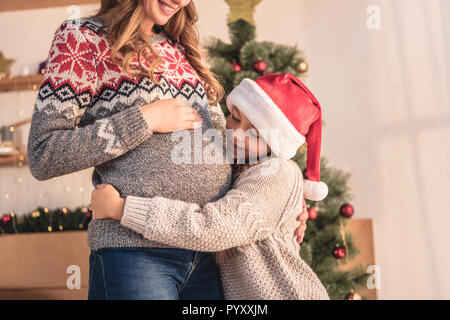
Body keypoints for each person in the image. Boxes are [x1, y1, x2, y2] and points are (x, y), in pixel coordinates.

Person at [27, 0, 307, 300]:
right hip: (136, 251)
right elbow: (44, 154)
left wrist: (281, 196)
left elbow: (223, 149)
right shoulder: (82, 38)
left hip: (211, 257)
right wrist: (144, 119)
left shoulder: (185, 47)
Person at [89, 73, 330, 299]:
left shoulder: (277, 173)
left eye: (254, 134)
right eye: (235, 118)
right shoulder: (242, 166)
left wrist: (122, 208)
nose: (236, 135)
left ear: (275, 146)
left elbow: (215, 228)